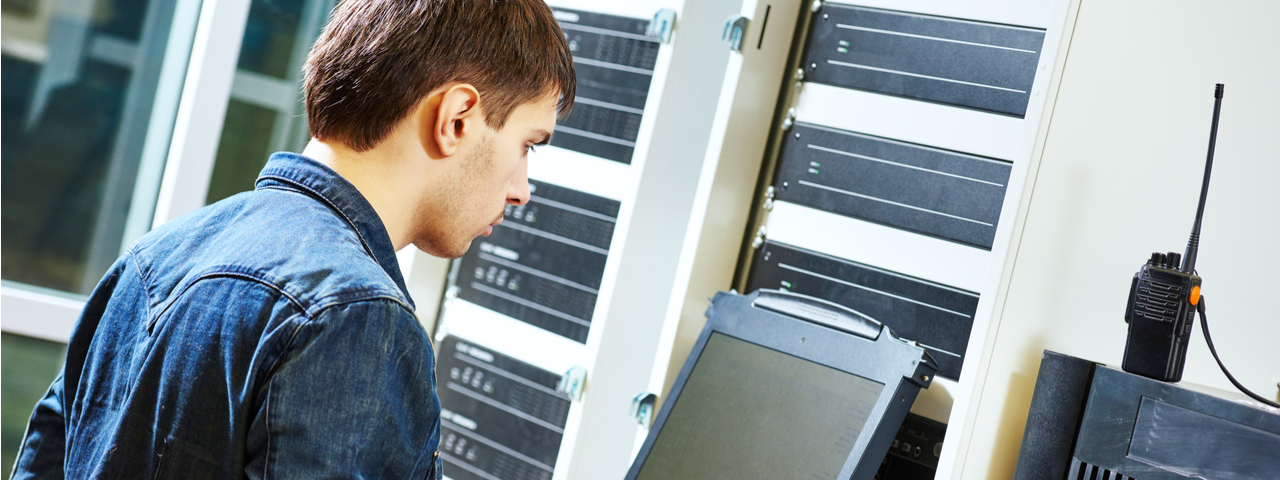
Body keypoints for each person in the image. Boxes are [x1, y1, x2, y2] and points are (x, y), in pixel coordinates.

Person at [11, 0, 575, 477]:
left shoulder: (158, 255)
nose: (521, 189)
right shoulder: (354, 316)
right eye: (528, 144)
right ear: (456, 118)